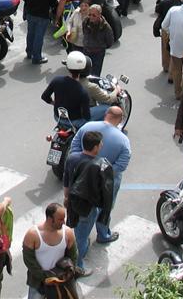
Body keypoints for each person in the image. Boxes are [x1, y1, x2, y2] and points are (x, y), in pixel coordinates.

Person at [67, 107, 130, 245]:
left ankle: (81, 239)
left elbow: (74, 148)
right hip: (107, 182)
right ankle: (103, 234)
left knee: (84, 212)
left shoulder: (87, 127)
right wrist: (102, 174)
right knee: (105, 209)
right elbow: (121, 165)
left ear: (106, 114)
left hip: (82, 179)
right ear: (120, 119)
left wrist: (85, 168)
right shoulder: (123, 140)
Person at [63, 131, 114, 277]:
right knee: (81, 237)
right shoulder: (99, 164)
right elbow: (104, 189)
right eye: (100, 143)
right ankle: (77, 267)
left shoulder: (72, 157)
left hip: (73, 201)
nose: (102, 145)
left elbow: (67, 179)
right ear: (95, 147)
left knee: (76, 229)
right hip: (88, 206)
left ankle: (78, 251)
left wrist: (66, 197)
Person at [23, 202, 78, 299]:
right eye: (60, 219)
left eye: (64, 218)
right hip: (38, 283)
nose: (63, 222)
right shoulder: (33, 235)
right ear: (49, 219)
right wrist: (45, 277)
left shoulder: (68, 233)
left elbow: (73, 256)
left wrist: (67, 274)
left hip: (62, 281)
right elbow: (29, 260)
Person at [41, 52, 92, 128]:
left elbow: (44, 96)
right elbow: (87, 116)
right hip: (75, 122)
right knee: (101, 111)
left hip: (57, 117)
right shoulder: (82, 91)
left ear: (67, 66)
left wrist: (54, 103)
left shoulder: (56, 80)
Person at [23, 0, 56, 65]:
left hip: (30, 14)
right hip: (42, 16)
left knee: (30, 34)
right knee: (39, 37)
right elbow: (54, 4)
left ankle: (29, 53)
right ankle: (37, 58)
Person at [79, 5, 114, 76]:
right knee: (84, 73)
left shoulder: (105, 27)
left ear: (99, 15)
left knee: (95, 75)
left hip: (98, 54)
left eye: (94, 15)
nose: (91, 17)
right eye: (90, 14)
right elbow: (84, 32)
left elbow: (110, 42)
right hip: (86, 51)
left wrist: (100, 46)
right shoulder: (85, 21)